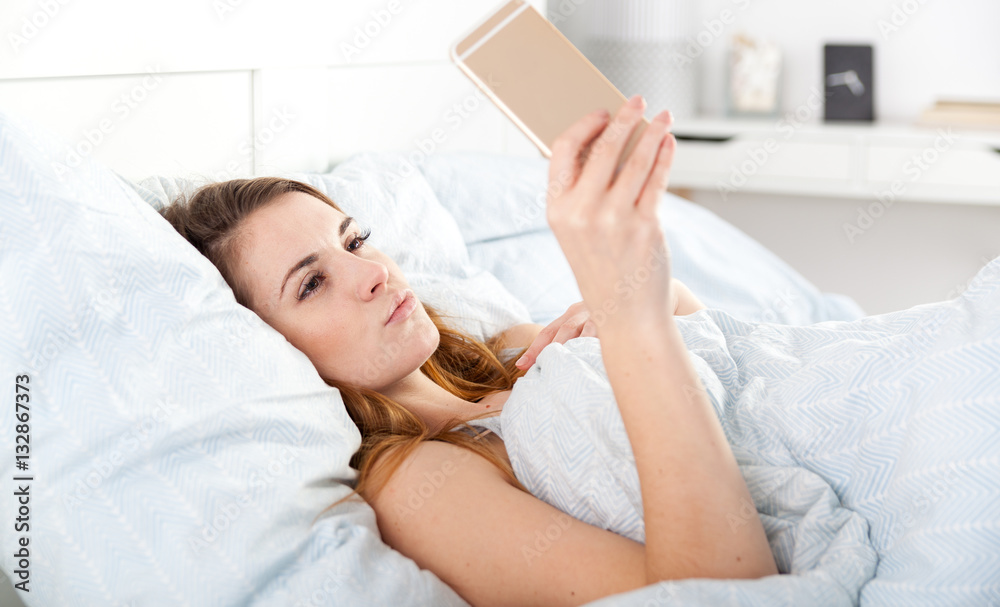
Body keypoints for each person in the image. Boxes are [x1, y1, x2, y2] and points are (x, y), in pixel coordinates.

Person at [158, 94, 785, 604]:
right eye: (313, 283)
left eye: (355, 242)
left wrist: (650, 297)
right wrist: (638, 327)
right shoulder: (416, 482)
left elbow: (738, 367)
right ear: (268, 349)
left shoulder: (511, 353)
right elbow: (714, 596)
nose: (370, 273)